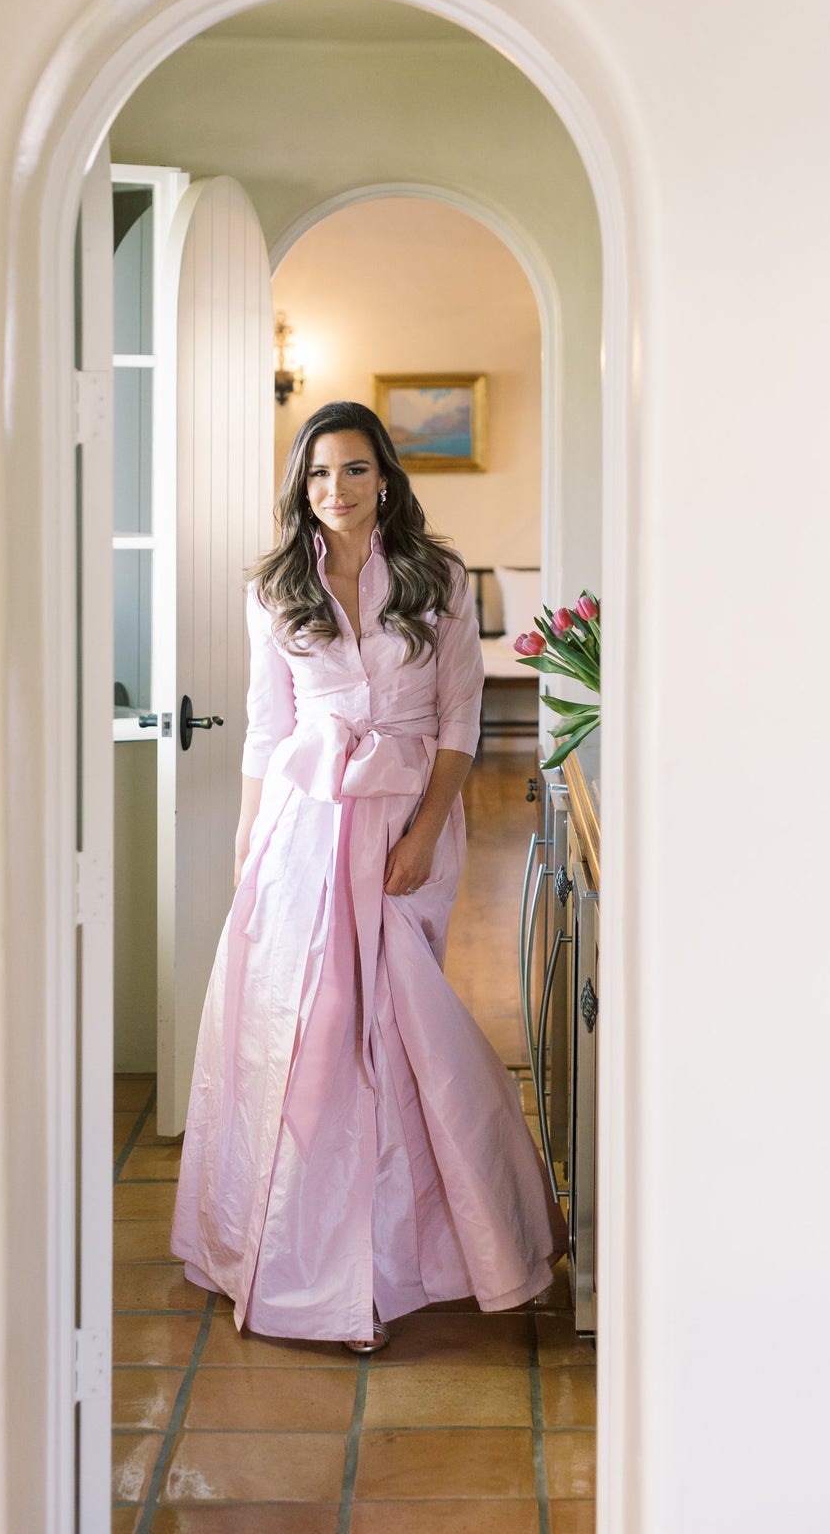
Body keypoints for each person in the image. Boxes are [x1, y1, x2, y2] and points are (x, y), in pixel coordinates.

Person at [170, 400, 566, 1350]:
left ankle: (405, 1256)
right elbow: (267, 730)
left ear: (383, 474)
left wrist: (427, 832)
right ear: (299, 487)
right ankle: (318, 1273)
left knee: (397, 1026)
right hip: (303, 833)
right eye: (316, 474)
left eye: (351, 470)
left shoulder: (436, 580)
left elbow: (462, 721)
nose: (334, 490)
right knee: (319, 1032)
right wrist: (246, 845)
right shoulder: (273, 589)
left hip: (405, 821)